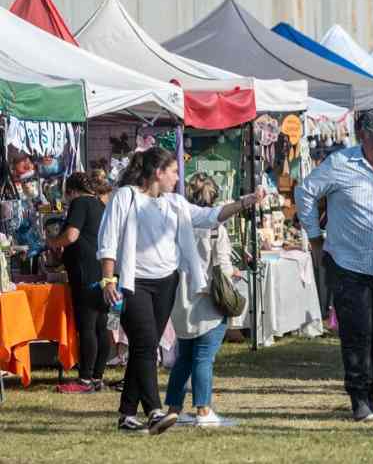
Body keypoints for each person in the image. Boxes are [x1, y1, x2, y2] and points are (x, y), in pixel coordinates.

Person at [97, 147, 263, 434]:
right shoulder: (126, 196)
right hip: (133, 282)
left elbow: (210, 215)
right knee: (146, 343)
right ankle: (154, 411)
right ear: (157, 172)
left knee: (143, 347)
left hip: (166, 282)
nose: (177, 177)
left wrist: (245, 202)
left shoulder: (174, 203)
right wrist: (107, 280)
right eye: (173, 171)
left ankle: (126, 414)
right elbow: (108, 238)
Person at [297, 110, 373, 422]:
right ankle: (359, 396)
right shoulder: (341, 163)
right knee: (356, 334)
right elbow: (305, 192)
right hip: (349, 263)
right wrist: (314, 236)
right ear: (362, 135)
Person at [163, 173, 240, 427]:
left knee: (185, 357)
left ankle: (174, 407)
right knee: (204, 357)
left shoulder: (175, 224)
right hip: (208, 300)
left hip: (181, 299)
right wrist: (233, 275)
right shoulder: (216, 227)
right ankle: (204, 411)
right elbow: (223, 265)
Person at [47, 173, 111, 394]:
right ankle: (97, 377)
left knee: (87, 328)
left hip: (85, 274)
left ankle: (84, 379)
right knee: (101, 327)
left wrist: (54, 242)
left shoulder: (80, 203)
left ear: (72, 191)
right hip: (103, 271)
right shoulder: (99, 205)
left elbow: (72, 236)